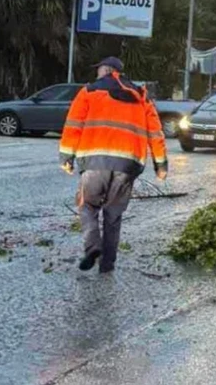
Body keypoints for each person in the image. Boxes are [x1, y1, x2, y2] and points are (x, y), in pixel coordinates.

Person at [59, 57, 168, 273]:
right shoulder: (141, 96)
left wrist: (66, 158)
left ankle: (92, 246)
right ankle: (107, 264)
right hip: (127, 164)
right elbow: (155, 133)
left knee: (88, 206)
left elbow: (73, 125)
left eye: (98, 70)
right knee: (113, 214)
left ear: (107, 70)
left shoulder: (89, 92)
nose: (96, 73)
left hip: (94, 160)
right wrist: (161, 165)